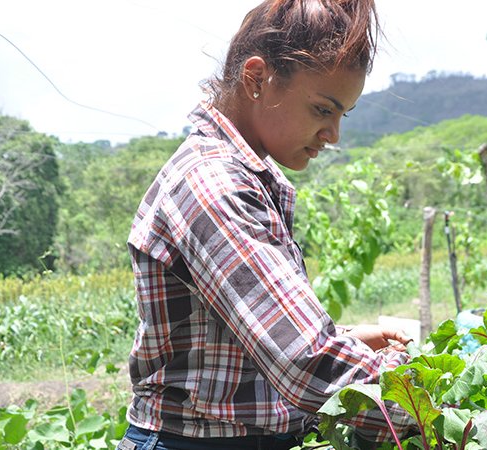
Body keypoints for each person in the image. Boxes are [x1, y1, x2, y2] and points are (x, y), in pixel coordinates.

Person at [119, 1, 414, 448]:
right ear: (257, 79)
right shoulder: (214, 185)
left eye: (341, 116)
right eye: (322, 110)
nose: (334, 134)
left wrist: (345, 339)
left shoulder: (252, 176)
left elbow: (238, 336)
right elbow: (304, 362)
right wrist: (444, 409)